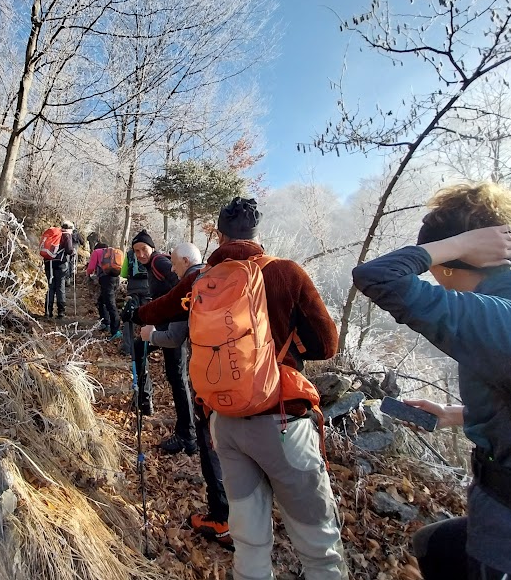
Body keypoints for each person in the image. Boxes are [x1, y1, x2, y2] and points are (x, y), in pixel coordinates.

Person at [128, 198, 347, 580]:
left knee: (249, 542)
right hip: (281, 420)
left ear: (220, 234)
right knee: (320, 550)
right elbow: (328, 345)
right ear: (257, 234)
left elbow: (161, 308)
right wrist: (287, 349)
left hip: (224, 421)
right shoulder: (286, 272)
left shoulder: (201, 278)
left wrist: (135, 314)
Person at [352, 182, 511, 580]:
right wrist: (456, 414)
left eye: (437, 266)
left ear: (450, 262)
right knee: (434, 544)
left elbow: (376, 276)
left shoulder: (503, 319)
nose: (434, 276)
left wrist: (455, 245)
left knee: (438, 550)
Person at [139, 242, 232, 549]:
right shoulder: (223, 279)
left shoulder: (191, 284)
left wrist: (149, 333)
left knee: (211, 445)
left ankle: (222, 521)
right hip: (241, 373)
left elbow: (175, 335)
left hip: (209, 377)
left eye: (175, 265)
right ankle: (246, 519)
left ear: (183, 261)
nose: (173, 271)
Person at [130, 229, 196, 454]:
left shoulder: (159, 261)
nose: (140, 254)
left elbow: (181, 286)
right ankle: (145, 398)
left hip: (175, 327)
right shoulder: (151, 266)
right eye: (136, 251)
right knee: (141, 349)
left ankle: (188, 435)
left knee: (178, 378)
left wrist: (163, 318)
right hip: (167, 325)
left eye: (143, 249)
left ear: (152, 247)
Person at [119, 243, 151, 356]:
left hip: (133, 289)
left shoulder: (130, 254)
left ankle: (127, 347)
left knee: (129, 316)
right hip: (148, 287)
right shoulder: (149, 253)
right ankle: (146, 347)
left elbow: (123, 273)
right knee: (147, 317)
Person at [86, 241, 121, 340]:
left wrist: (88, 274)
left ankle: (115, 331)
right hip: (115, 278)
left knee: (110, 304)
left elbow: (91, 267)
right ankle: (105, 322)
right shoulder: (112, 253)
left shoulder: (96, 252)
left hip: (105, 279)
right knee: (101, 301)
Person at [44, 222, 74, 319]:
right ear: (70, 228)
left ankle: (48, 311)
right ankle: (61, 312)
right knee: (60, 287)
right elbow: (69, 250)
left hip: (48, 263)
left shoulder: (53, 234)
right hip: (60, 264)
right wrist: (73, 252)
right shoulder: (66, 235)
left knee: (50, 287)